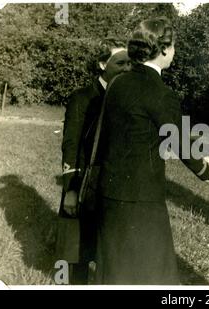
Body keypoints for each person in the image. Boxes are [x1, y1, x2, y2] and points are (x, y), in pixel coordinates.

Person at [95, 17, 209, 284]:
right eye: (172, 47)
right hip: (142, 197)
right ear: (163, 50)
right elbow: (178, 141)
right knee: (152, 273)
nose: (174, 52)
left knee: (115, 271)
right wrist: (205, 169)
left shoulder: (117, 83)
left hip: (110, 191)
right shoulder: (161, 93)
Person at [57, 38, 131, 284]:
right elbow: (71, 144)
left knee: (107, 254)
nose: (126, 68)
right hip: (84, 185)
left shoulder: (125, 99)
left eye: (130, 63)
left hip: (112, 188)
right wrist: (70, 189)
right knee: (77, 253)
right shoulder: (82, 98)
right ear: (102, 64)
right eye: (120, 62)